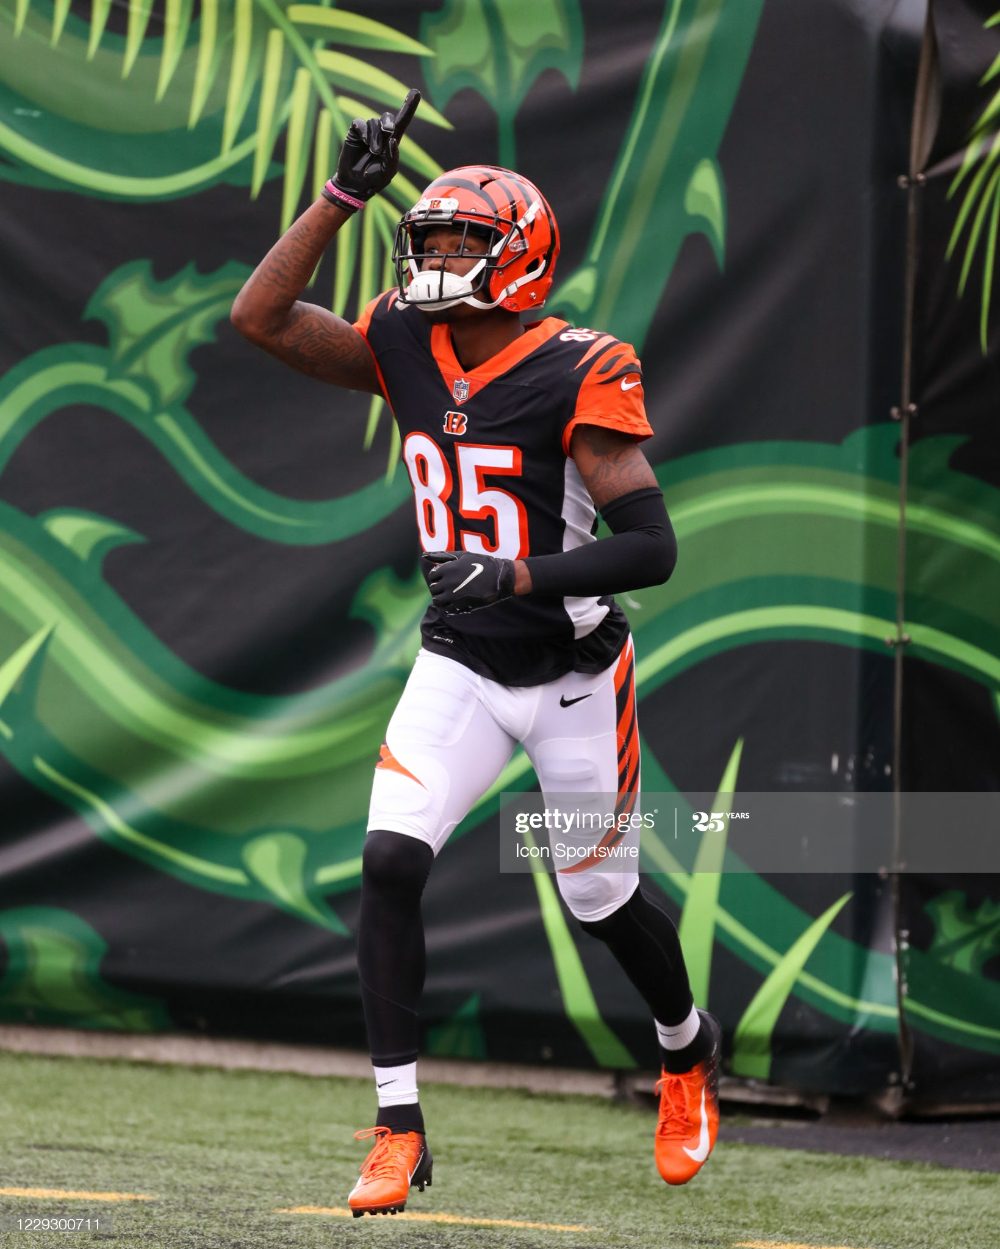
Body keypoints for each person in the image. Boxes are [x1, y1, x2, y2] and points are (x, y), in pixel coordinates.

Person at [231, 90, 721, 1218]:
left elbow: (651, 547)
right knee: (391, 861)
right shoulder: (403, 338)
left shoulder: (583, 365)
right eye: (432, 242)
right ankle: (398, 1125)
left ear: (522, 256)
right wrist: (341, 196)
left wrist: (514, 574)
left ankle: (685, 1048)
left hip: (571, 676)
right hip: (457, 662)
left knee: (598, 901)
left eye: (466, 245)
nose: (441, 263)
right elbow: (259, 318)